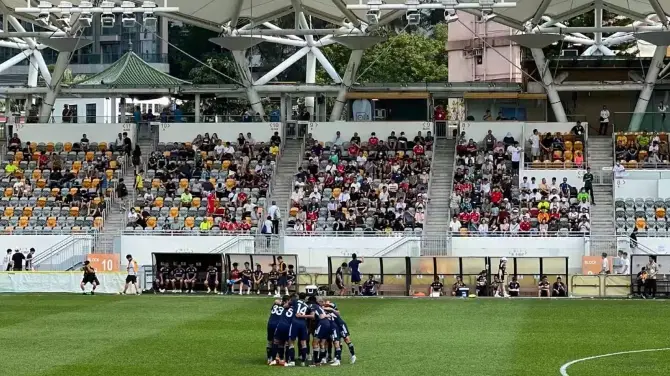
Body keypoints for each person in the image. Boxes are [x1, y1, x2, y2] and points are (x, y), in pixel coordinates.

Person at [288, 292, 313, 367]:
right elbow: (312, 315)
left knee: (291, 342)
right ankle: (303, 362)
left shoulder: (295, 301)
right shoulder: (307, 306)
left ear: (298, 296)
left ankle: (292, 361)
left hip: (295, 322)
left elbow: (288, 304)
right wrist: (304, 315)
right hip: (303, 324)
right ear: (305, 298)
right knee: (303, 343)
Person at [269, 295, 294, 366]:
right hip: (288, 327)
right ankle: (285, 360)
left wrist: (280, 303)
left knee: (276, 342)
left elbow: (277, 302)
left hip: (280, 325)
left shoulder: (284, 305)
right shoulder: (295, 307)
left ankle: (273, 359)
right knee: (287, 343)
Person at [267, 297, 287, 364]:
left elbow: (276, 301)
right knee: (280, 342)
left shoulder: (275, 305)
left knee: (270, 341)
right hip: (278, 325)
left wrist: (278, 302)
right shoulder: (286, 307)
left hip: (270, 324)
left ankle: (269, 358)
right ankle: (280, 358)